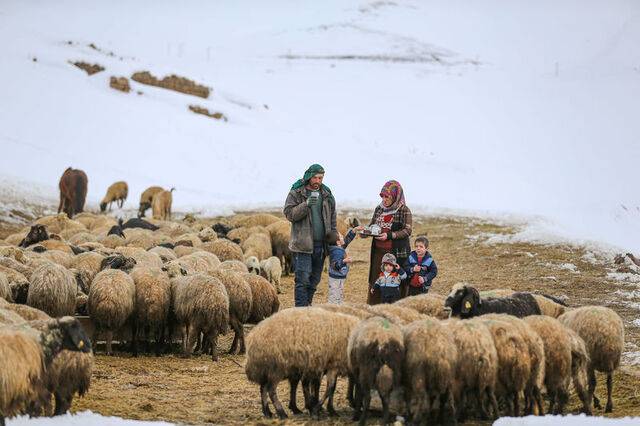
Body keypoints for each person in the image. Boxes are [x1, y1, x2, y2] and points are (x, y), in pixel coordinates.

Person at [283, 164, 337, 307]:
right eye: (315, 177)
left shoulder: (326, 193)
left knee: (314, 280)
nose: (318, 181)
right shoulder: (297, 192)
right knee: (302, 279)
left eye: (321, 178)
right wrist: (306, 205)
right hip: (303, 244)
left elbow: (332, 217)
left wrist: (334, 235)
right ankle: (300, 310)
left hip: (321, 245)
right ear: (309, 176)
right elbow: (289, 214)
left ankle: (307, 306)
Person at [360, 180, 412, 304]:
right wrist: (365, 232)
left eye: (387, 196)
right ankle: (374, 306)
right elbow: (372, 226)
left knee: (395, 279)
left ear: (395, 196)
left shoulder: (404, 210)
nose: (384, 199)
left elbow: (408, 230)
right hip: (378, 252)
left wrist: (389, 235)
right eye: (382, 196)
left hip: (395, 253)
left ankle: (395, 307)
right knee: (377, 278)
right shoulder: (379, 209)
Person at [326, 229, 356, 305]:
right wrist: (344, 261)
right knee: (334, 294)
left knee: (338, 293)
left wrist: (353, 231)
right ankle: (333, 308)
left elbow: (347, 240)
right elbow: (335, 265)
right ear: (338, 242)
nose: (343, 237)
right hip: (336, 278)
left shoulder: (338, 248)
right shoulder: (337, 252)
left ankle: (338, 305)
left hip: (339, 277)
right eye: (341, 236)